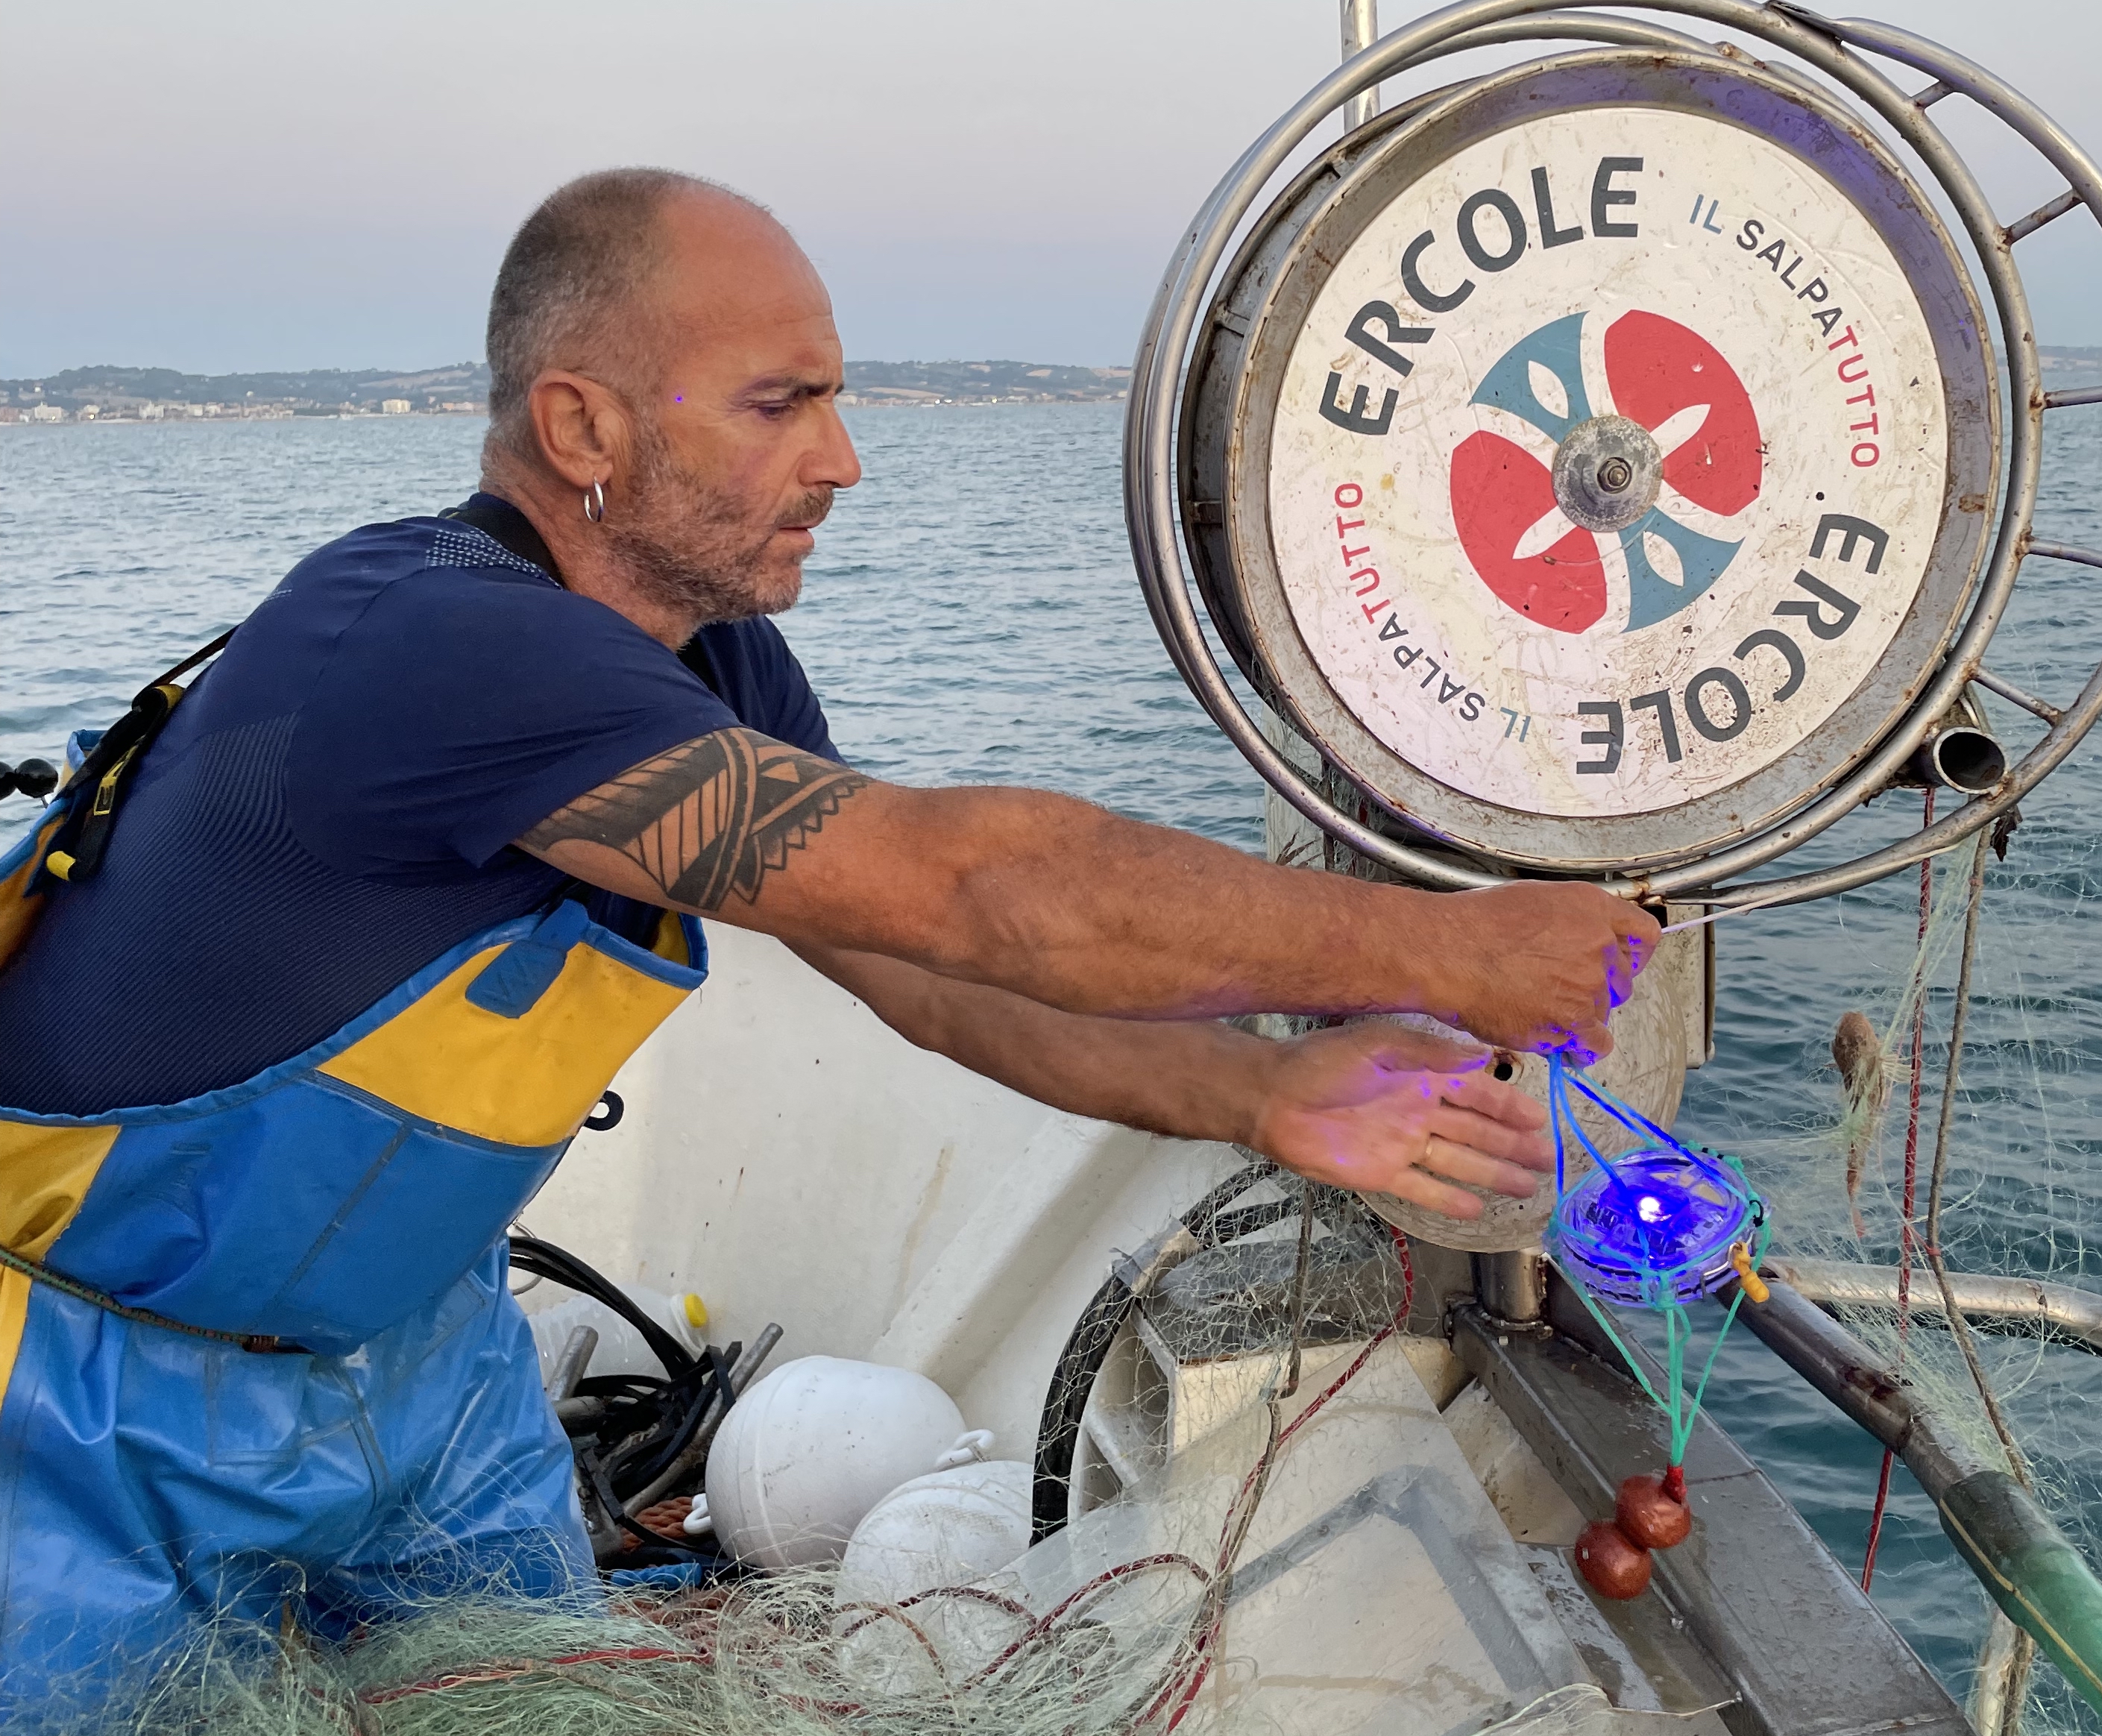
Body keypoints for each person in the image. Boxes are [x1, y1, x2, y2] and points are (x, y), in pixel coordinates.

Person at [0, 167, 1658, 1698]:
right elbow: (977, 887)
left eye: (839, 399)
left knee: (538, 1709)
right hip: (91, 1399)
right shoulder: (433, 643)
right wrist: (1441, 947)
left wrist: (1253, 1094)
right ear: (581, 422)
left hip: (423, 1361)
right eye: (782, 403)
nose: (843, 459)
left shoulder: (702, 664)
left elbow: (931, 972)